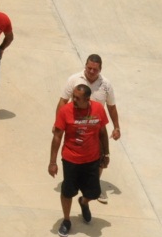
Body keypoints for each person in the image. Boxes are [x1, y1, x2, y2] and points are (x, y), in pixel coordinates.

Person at [49, 83, 110, 236]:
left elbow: (102, 132)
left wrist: (106, 154)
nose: (73, 100)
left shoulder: (97, 109)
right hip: (71, 160)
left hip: (92, 160)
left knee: (94, 193)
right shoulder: (65, 111)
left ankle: (83, 202)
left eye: (77, 98)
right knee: (67, 192)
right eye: (73, 97)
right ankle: (67, 220)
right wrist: (52, 162)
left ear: (87, 99)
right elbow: (57, 136)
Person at [59, 54, 122, 140]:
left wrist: (116, 128)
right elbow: (63, 101)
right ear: (85, 66)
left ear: (100, 69)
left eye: (95, 69)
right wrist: (58, 124)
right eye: (89, 68)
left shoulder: (106, 85)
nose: (91, 71)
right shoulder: (73, 80)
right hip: (75, 125)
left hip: (95, 127)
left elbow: (111, 107)